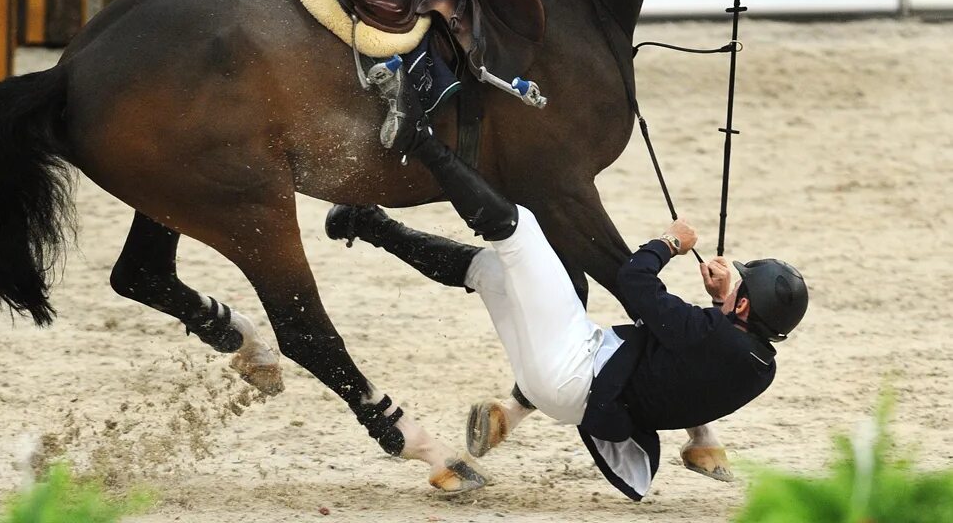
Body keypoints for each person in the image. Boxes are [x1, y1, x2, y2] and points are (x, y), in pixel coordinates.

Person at [328, 64, 809, 500]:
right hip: (568, 391)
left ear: (743, 311)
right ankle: (370, 225)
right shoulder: (759, 365)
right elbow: (690, 346)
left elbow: (635, 284)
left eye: (738, 291)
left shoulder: (711, 334)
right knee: (491, 272)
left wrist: (669, 243)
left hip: (575, 364)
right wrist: (724, 299)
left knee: (521, 229)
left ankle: (419, 137)